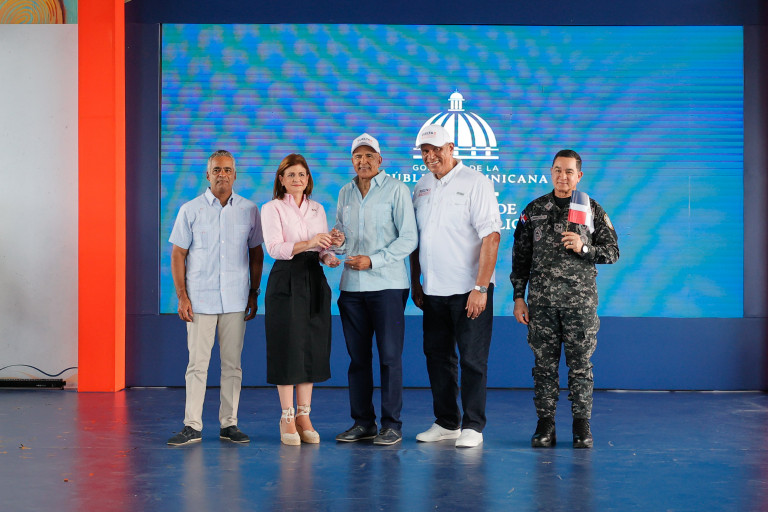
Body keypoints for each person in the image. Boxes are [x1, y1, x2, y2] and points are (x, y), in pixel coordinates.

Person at [510, 149, 619, 449]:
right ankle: (545, 426)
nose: (563, 176)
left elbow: (612, 252)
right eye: (558, 170)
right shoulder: (534, 210)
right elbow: (520, 259)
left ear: (579, 175)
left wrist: (585, 248)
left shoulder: (590, 209)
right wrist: (519, 297)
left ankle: (581, 427)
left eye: (569, 171)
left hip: (579, 305)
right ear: (551, 172)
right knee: (544, 368)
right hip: (542, 305)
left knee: (581, 367)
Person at [410, 125, 502, 448]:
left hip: (469, 291)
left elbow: (491, 236)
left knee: (472, 360)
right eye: (425, 151)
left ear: (451, 148)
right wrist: (416, 282)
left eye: (436, 149)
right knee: (437, 358)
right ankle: (447, 422)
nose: (430, 156)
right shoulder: (421, 187)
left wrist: (481, 288)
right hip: (433, 291)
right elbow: (416, 239)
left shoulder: (476, 182)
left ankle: (473, 426)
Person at [167, 149, 264, 446]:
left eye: (227, 169)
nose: (222, 174)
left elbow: (256, 253)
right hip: (200, 301)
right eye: (217, 170)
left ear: (235, 175)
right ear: (207, 175)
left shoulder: (249, 210)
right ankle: (192, 426)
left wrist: (253, 293)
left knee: (232, 366)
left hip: (236, 300)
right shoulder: (190, 210)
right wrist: (182, 297)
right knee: (197, 365)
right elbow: (178, 254)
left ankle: (229, 424)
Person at [333, 133, 418, 446]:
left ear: (380, 160)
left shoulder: (396, 190)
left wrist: (373, 261)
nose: (363, 161)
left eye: (369, 156)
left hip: (387, 286)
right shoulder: (345, 192)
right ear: (352, 161)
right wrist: (337, 243)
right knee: (357, 360)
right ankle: (363, 423)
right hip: (351, 288)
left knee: (389, 358)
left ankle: (391, 425)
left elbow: (409, 238)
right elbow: (342, 237)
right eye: (358, 156)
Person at [261, 153, 341, 446]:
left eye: (302, 174)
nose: (297, 179)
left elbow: (321, 249)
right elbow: (274, 248)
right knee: (287, 345)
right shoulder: (271, 208)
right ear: (281, 179)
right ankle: (286, 416)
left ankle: (304, 415)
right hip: (286, 277)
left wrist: (329, 255)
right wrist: (310, 242)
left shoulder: (317, 208)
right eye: (291, 174)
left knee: (311, 345)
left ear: (309, 179)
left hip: (313, 277)